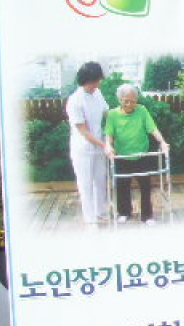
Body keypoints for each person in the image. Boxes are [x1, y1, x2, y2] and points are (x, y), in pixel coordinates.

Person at [104, 84, 169, 225]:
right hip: (122, 156)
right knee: (122, 186)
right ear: (119, 100)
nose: (129, 104)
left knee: (145, 186)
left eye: (133, 101)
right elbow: (109, 134)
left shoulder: (142, 110)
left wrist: (162, 142)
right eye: (126, 101)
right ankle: (124, 212)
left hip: (141, 155)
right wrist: (108, 146)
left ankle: (147, 216)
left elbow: (153, 128)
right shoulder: (112, 114)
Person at [66, 61, 109, 227]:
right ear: (87, 80)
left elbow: (107, 113)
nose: (98, 83)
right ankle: (91, 220)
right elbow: (83, 131)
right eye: (96, 80)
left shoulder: (98, 93)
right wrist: (104, 145)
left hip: (99, 146)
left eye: (99, 80)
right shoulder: (74, 101)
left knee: (100, 181)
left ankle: (101, 213)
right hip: (82, 149)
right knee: (86, 185)